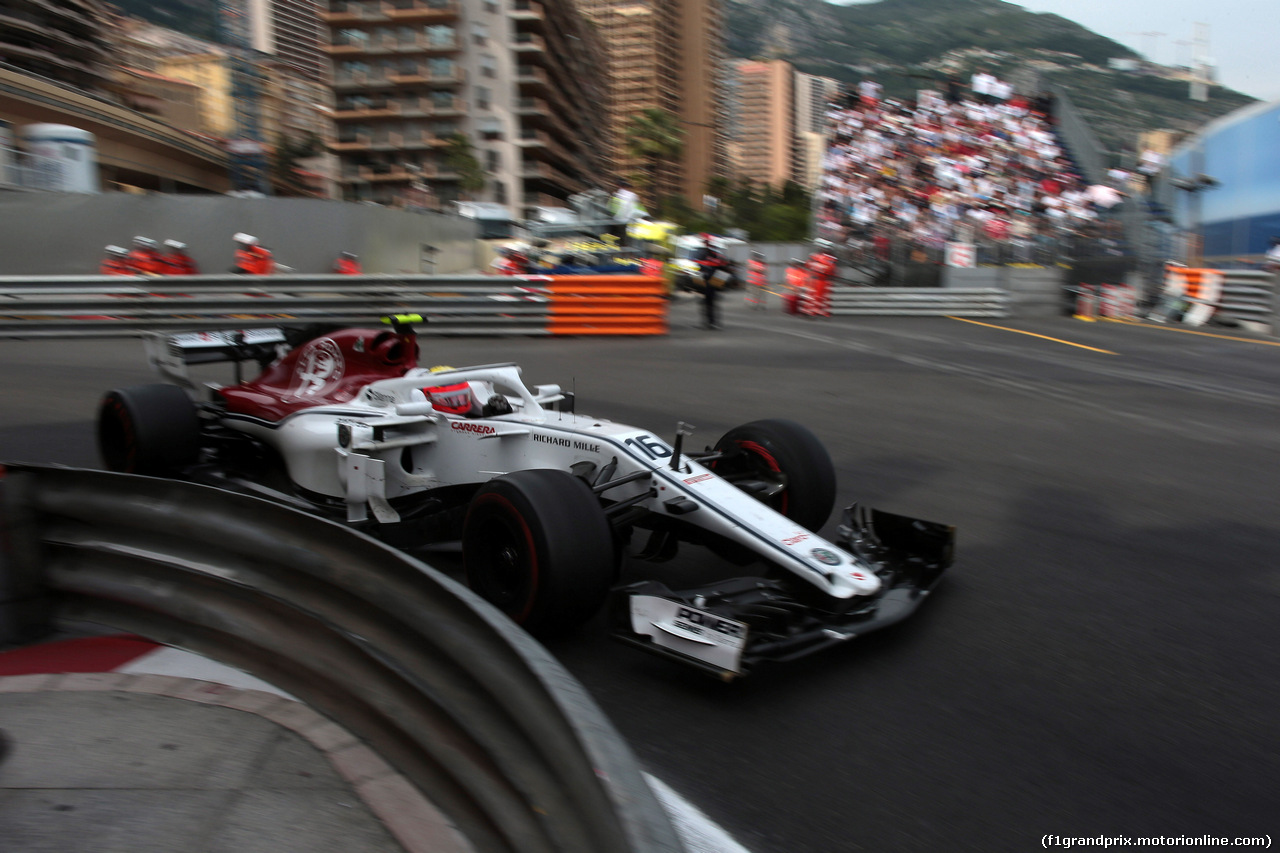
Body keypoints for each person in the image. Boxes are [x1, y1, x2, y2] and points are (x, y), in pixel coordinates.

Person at [692, 234, 726, 329]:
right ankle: (710, 322)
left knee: (709, 303)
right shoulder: (710, 254)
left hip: (710, 282)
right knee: (708, 303)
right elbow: (699, 268)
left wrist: (719, 286)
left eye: (705, 242)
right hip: (708, 282)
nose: (705, 244)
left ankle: (711, 323)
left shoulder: (711, 254)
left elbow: (722, 269)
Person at [802, 246, 836, 318]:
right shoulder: (816, 257)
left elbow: (831, 270)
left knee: (819, 297)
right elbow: (808, 265)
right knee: (813, 296)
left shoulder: (829, 259)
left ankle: (814, 311)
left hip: (821, 280)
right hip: (816, 279)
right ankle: (810, 310)